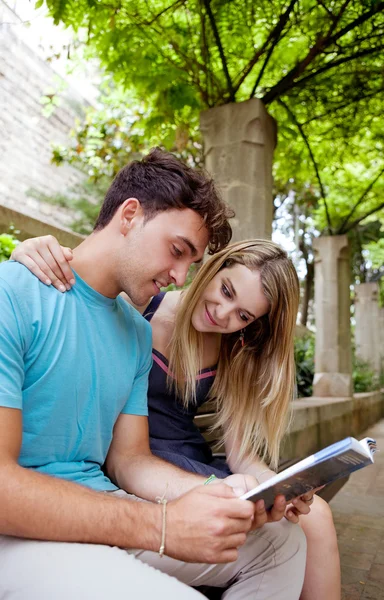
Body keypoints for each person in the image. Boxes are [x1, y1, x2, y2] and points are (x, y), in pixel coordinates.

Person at [0, 148, 307, 600]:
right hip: (23, 529)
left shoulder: (134, 334)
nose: (182, 277)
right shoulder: (17, 292)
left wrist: (223, 493)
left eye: (191, 261)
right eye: (177, 251)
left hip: (106, 507)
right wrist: (161, 526)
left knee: (281, 544)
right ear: (129, 215)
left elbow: (130, 461)